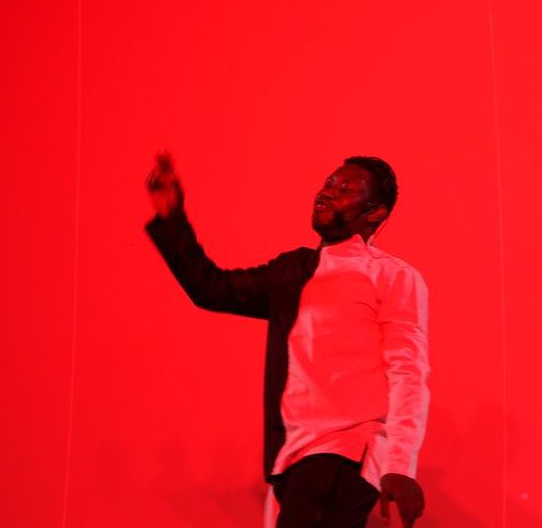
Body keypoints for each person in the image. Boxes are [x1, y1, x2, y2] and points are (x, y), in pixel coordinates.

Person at [144, 153, 429, 527]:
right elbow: (209, 289)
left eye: (345, 189)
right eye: (328, 183)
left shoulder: (392, 276)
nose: (327, 193)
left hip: (345, 453)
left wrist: (400, 464)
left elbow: (408, 371)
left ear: (375, 213)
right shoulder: (291, 272)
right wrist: (172, 218)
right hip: (291, 458)